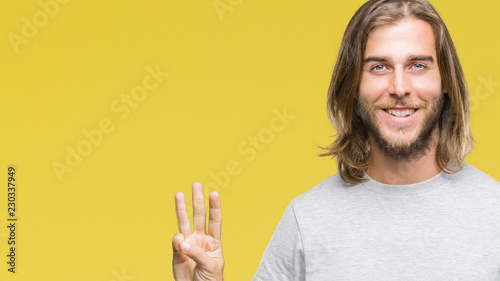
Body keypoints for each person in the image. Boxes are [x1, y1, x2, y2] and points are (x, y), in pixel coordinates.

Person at [171, 0, 500, 280]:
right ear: (353, 85)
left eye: (417, 65)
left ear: (445, 81)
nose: (400, 87)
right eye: (379, 67)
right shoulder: (307, 220)